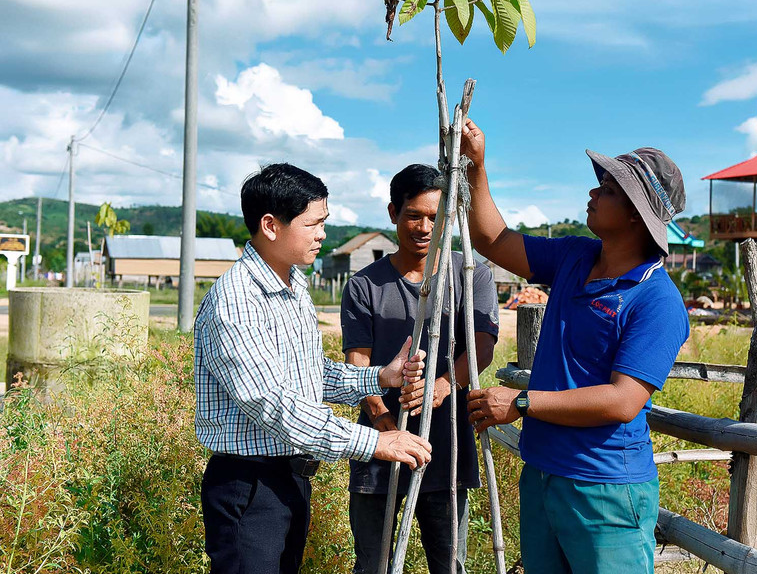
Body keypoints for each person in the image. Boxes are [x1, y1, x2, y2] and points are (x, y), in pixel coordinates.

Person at [461, 121, 690, 574]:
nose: (593, 192)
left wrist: (522, 401)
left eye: (607, 189)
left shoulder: (657, 300)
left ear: (635, 215)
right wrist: (477, 166)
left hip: (604, 488)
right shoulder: (575, 256)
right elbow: (493, 240)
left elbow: (624, 401)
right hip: (544, 472)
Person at [194, 163, 433, 574]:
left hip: (288, 478)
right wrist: (374, 442)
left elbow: (308, 372)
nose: (322, 234)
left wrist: (378, 376)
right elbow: (273, 403)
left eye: (324, 222)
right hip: (250, 484)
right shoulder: (237, 301)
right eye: (313, 224)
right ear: (271, 226)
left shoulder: (291, 285)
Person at [341, 164, 500, 574]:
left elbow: (482, 345)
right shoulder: (364, 285)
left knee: (449, 564)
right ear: (394, 212)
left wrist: (445, 385)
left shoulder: (471, 274)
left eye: (437, 217)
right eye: (414, 215)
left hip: (446, 445)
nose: (425, 226)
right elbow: (358, 362)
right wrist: (385, 425)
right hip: (378, 448)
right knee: (373, 565)